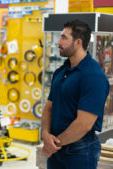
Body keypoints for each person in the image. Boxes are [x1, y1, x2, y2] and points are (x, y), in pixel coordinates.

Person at [41, 19, 110, 169]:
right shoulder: (61, 72)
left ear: (78, 42)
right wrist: (45, 134)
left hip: (80, 151)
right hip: (57, 148)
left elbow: (84, 124)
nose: (58, 42)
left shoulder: (93, 76)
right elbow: (48, 107)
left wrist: (53, 144)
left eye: (64, 38)